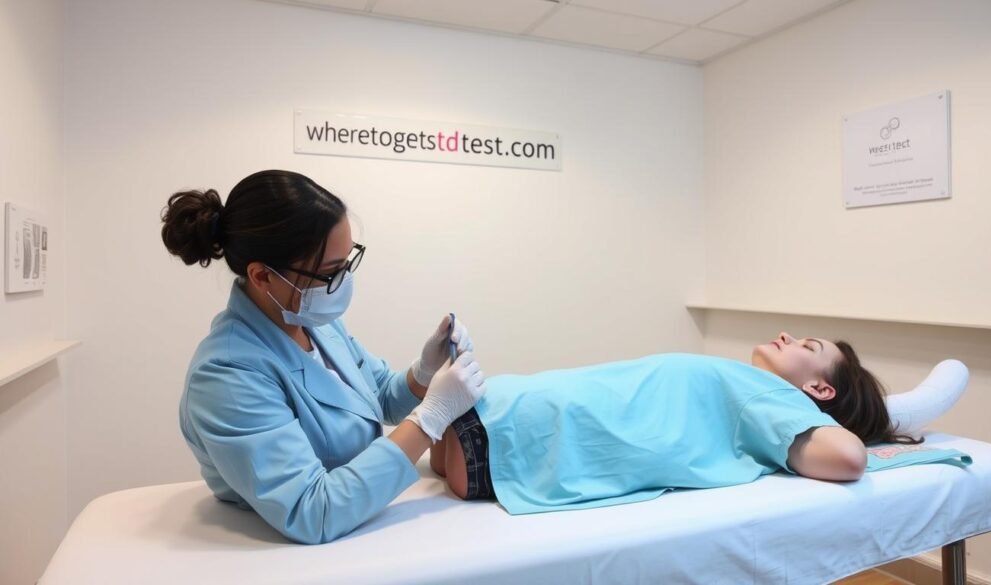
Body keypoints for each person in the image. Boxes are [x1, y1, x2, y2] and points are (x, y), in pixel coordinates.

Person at [161, 170, 486, 544]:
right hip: (298, 553)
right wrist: (431, 420)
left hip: (365, 522)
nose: (343, 281)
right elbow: (311, 512)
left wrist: (425, 371)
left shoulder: (311, 320)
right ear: (262, 276)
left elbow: (377, 398)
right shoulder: (226, 375)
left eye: (348, 262)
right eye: (331, 272)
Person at [429, 334, 922, 515]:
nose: (785, 336)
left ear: (819, 392)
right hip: (498, 417)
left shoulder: (777, 399)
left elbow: (849, 457)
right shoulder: (752, 389)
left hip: (503, 434)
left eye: (806, 348)